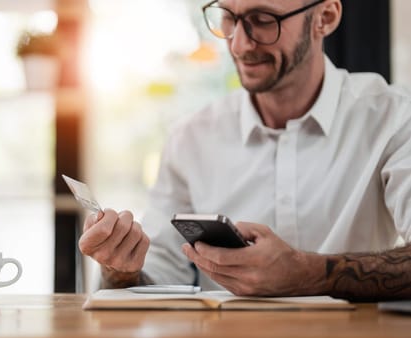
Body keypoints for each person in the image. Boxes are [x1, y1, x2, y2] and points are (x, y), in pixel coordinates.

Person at [79, 0, 411, 301]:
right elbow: (155, 281)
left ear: (324, 17)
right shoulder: (191, 138)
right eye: (228, 18)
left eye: (264, 20)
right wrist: (121, 269)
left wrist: (306, 273)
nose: (238, 44)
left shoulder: (393, 118)